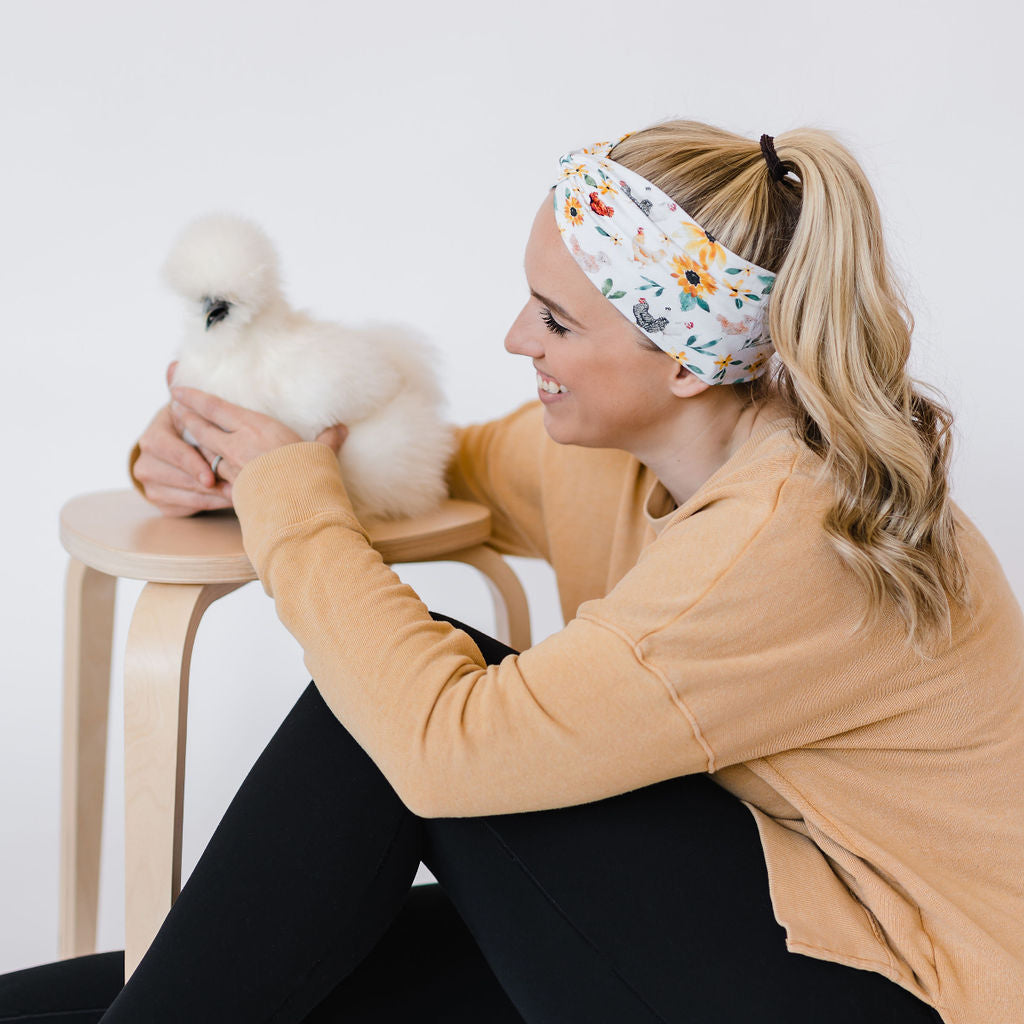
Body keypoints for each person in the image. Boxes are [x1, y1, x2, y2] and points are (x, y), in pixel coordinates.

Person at [1, 120, 1019, 1024]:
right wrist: (205, 448)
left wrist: (285, 495)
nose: (513, 339)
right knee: (157, 990)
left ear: (683, 361)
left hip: (900, 984)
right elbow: (415, 464)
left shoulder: (781, 537)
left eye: (556, 321)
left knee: (388, 710)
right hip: (771, 911)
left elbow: (440, 746)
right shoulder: (634, 451)